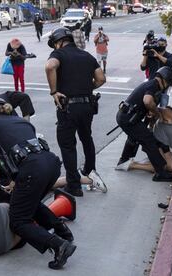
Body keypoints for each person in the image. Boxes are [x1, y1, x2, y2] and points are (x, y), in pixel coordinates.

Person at [0, 97, 76, 270]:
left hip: (32, 170)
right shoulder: (22, 121)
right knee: (29, 203)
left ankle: (59, 245)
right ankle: (63, 231)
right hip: (52, 165)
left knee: (18, 220)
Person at [45, 27, 106, 197]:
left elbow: (50, 67)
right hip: (87, 106)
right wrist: (86, 88)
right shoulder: (86, 55)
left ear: (59, 42)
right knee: (87, 139)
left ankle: (74, 186)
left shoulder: (59, 54)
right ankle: (90, 171)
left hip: (68, 107)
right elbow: (101, 79)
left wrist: (54, 91)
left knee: (68, 145)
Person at [115, 66, 172, 182]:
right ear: (164, 80)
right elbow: (147, 101)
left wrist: (151, 115)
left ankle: (123, 161)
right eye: (168, 84)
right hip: (127, 118)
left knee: (138, 135)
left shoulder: (154, 86)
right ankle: (160, 172)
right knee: (149, 141)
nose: (168, 87)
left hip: (129, 117)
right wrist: (157, 113)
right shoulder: (153, 85)